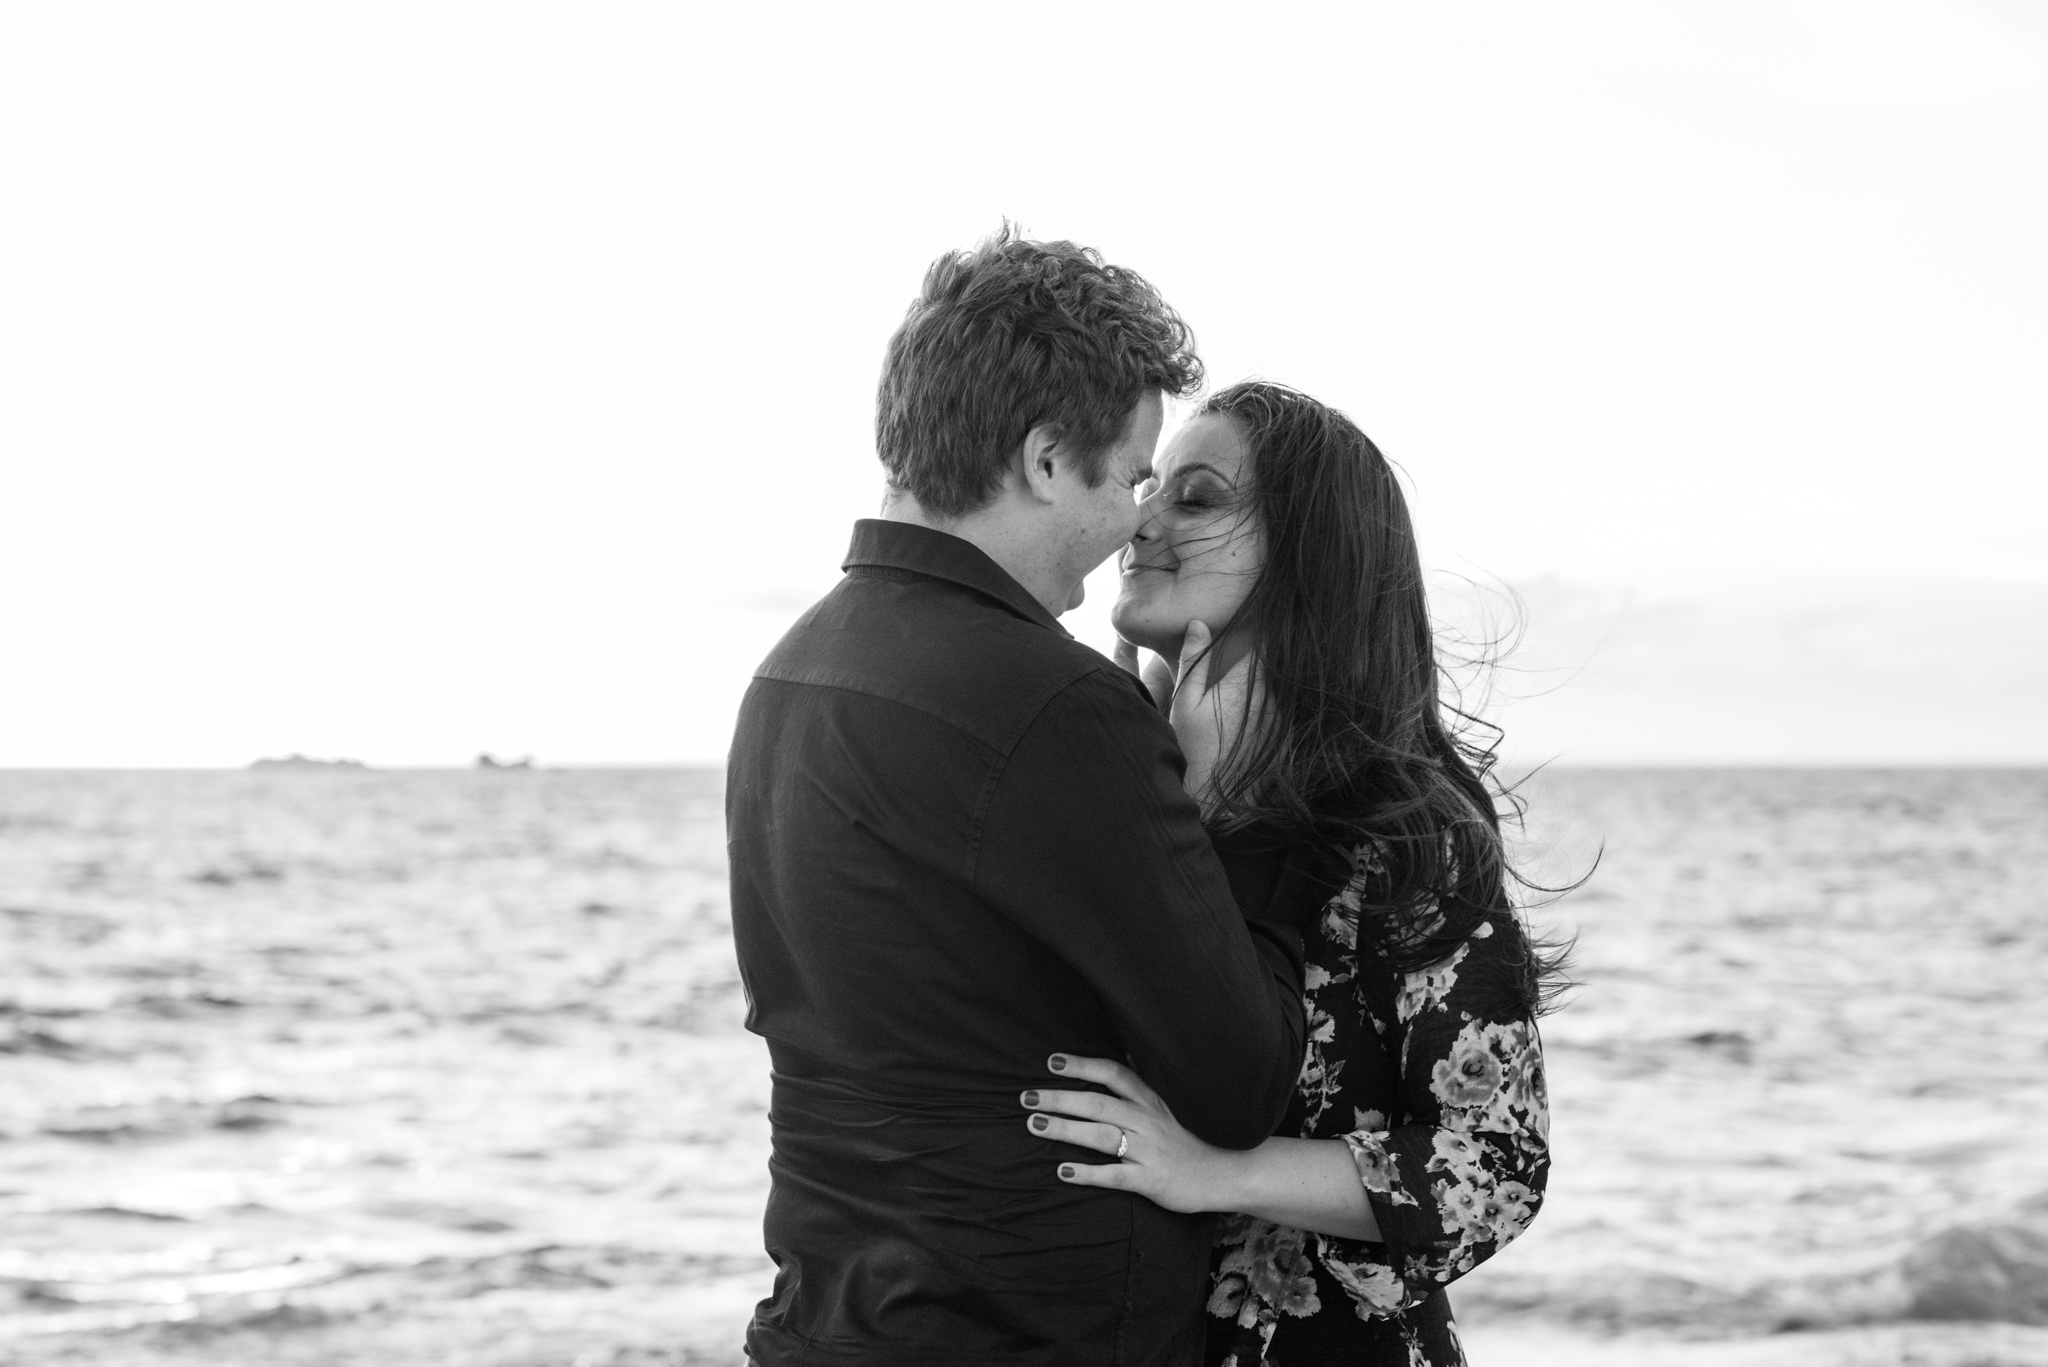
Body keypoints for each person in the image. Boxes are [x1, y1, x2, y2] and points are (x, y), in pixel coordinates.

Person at [726, 231, 1310, 1366]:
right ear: (1047, 459)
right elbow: (1241, 1078)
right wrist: (1232, 803)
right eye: (1132, 475)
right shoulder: (1058, 706)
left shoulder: (788, 674)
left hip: (827, 1321)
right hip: (1029, 1334)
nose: (1136, 520)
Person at [1023, 381, 1566, 1366]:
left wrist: (1216, 1169)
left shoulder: (1404, 836)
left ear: (1306, 556)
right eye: (1150, 488)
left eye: (1192, 497)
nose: (1139, 519)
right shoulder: (1104, 788)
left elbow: (1492, 1170)